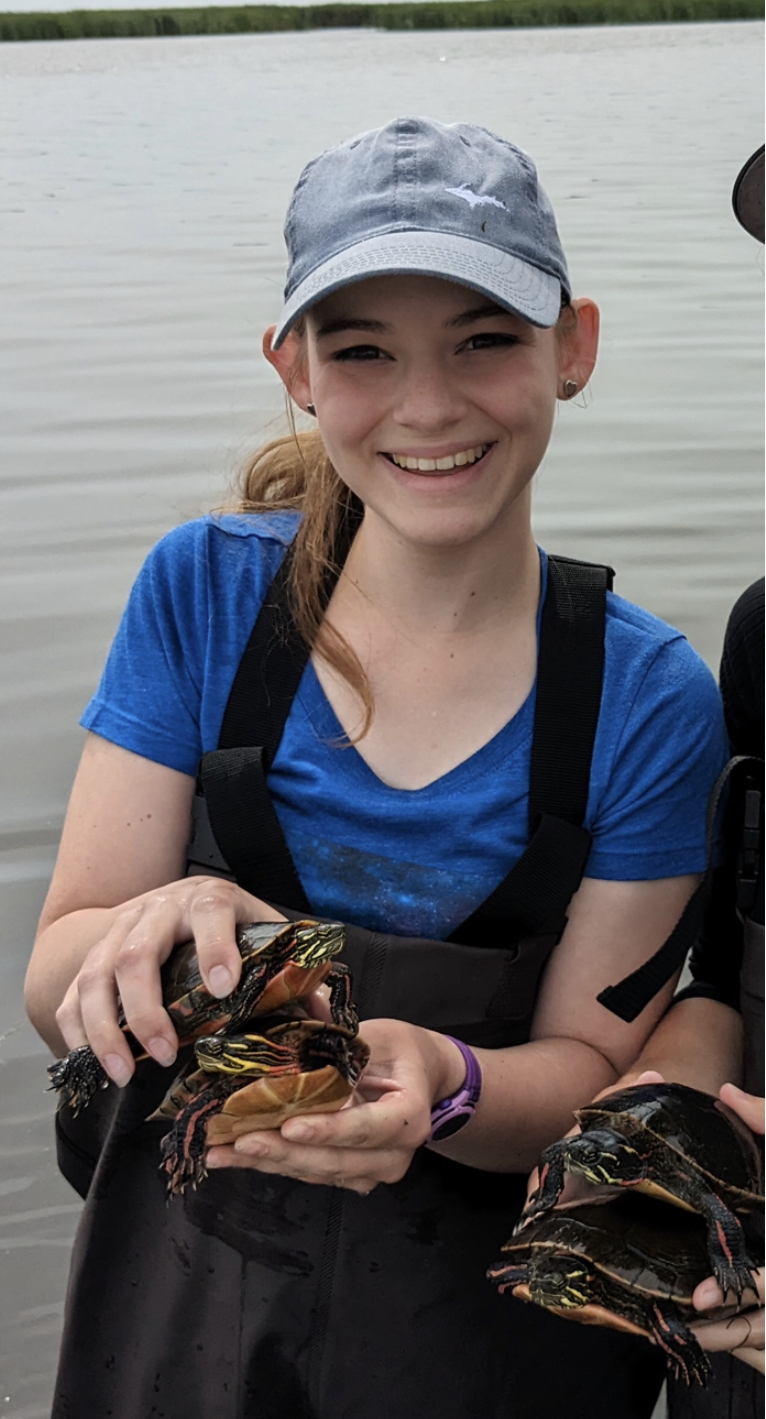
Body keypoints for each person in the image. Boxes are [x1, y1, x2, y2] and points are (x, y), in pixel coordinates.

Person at [25, 117, 729, 1419]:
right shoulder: (201, 596)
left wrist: (444, 1084)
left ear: (571, 346)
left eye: (484, 339)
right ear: (291, 367)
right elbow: (54, 975)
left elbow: (586, 1070)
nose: (426, 405)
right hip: (174, 1296)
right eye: (360, 351)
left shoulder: (647, 697)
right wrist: (150, 925)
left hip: (483, 1328)